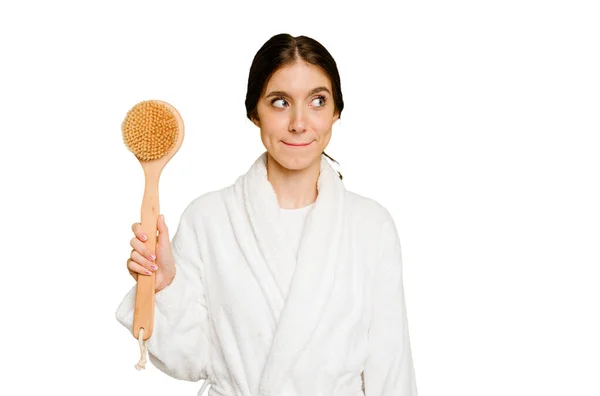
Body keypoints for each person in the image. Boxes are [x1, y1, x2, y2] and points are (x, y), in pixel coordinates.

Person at [116, 33, 418, 396]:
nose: (299, 122)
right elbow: (188, 360)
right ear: (254, 113)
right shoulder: (209, 219)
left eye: (318, 101)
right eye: (279, 102)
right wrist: (163, 287)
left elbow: (392, 372)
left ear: (337, 110)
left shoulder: (372, 227)